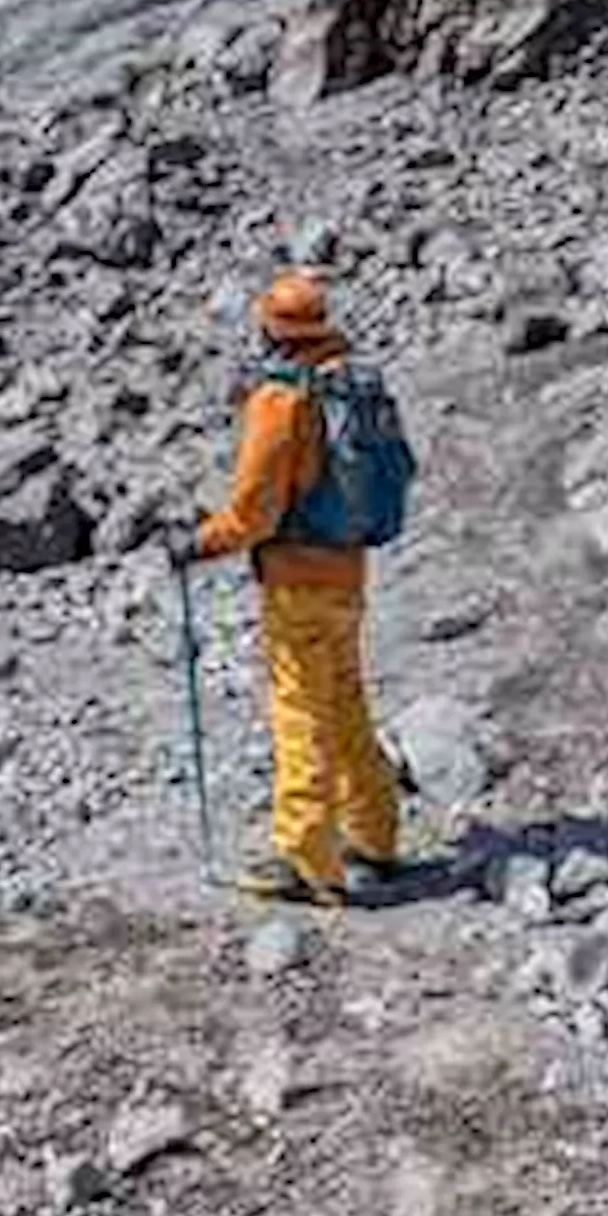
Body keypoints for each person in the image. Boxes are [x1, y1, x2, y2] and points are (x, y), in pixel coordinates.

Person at [177, 269, 401, 906]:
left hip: (296, 579)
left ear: (271, 329)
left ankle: (308, 859)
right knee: (348, 704)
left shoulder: (282, 400)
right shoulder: (354, 382)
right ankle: (375, 837)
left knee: (300, 712)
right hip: (347, 573)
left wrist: (199, 543)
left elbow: (254, 511)